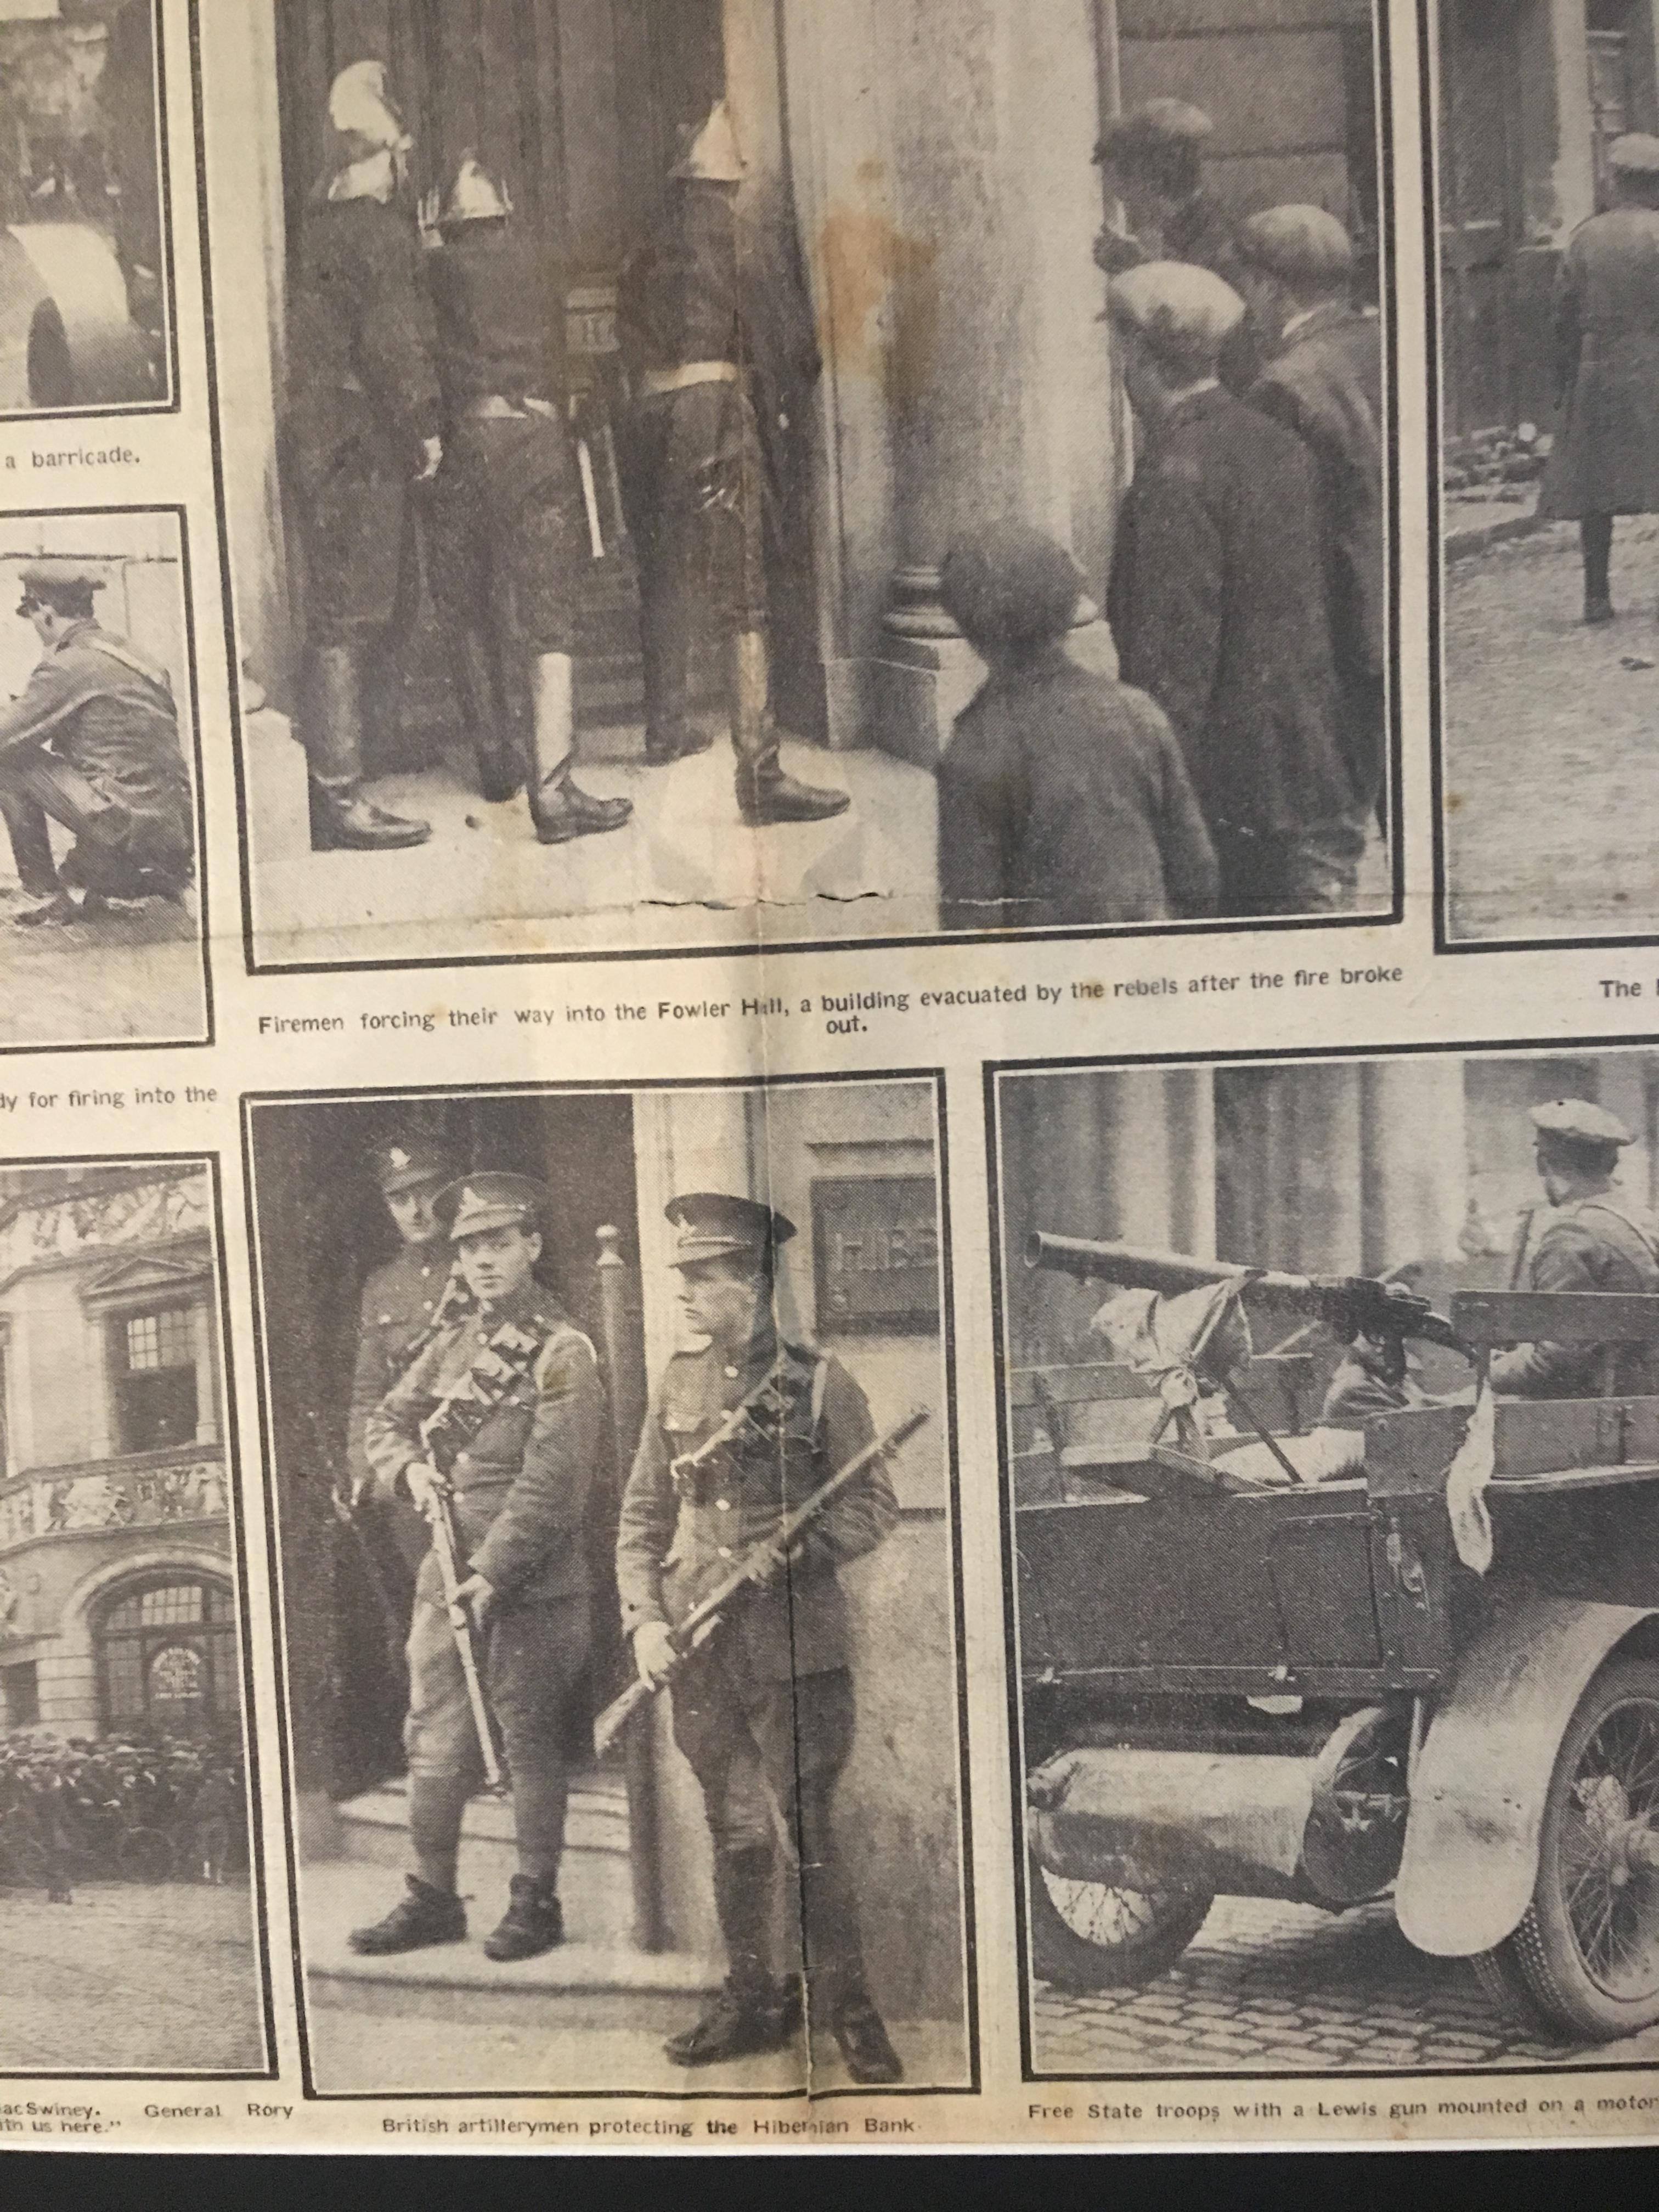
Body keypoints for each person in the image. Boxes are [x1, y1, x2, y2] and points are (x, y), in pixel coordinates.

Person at [616, 1193, 902, 2083]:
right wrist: (642, 1623)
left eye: (703, 1276)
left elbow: (871, 1505)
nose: (686, 1292)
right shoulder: (674, 1380)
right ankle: (748, 2001)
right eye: (685, 1276)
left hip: (794, 1650)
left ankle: (849, 2007)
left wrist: (794, 1556)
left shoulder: (820, 1382)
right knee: (732, 1829)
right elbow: (638, 1516)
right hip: (700, 1648)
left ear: (751, 1282)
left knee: (805, 1828)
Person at [353, 1174, 605, 1963]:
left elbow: (555, 1485)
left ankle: (537, 1900)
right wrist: (409, 1476)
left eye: (498, 1243)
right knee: (433, 1738)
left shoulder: (563, 1351)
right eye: (470, 1247)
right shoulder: (454, 1341)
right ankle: (431, 1897)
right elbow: (387, 1421)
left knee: (527, 1740)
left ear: (531, 1246)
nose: (483, 1261)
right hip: (445, 1567)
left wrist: (492, 1573)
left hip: (531, 1579)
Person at [616, 102, 849, 824]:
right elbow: (790, 348)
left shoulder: (646, 243)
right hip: (715, 415)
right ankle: (762, 770)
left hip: (650, 419)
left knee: (663, 568)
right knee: (743, 592)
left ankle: (664, 727)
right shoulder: (741, 236)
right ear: (731, 177)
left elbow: (624, 344)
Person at [1104, 261, 1357, 918]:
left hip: (1226, 787)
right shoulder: (1277, 442)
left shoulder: (1171, 475)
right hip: (1300, 763)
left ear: (1135, 352)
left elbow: (1173, 658)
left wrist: (1160, 799)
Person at [425, 156, 632, 845]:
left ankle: (495, 764)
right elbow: (578, 358)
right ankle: (553, 790)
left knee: (468, 606)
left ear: (450, 226)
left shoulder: (433, 271)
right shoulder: (540, 261)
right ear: (505, 216)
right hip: (537, 440)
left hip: (465, 443)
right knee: (549, 615)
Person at [285, 61, 436, 852]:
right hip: (358, 439)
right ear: (386, 157)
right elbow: (394, 343)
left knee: (378, 600)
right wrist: (427, 427)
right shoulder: (378, 232)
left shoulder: (322, 226)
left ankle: (365, 751)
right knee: (350, 612)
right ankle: (340, 793)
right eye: (400, 153)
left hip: (330, 436)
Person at [934, 521, 1217, 930]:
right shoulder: (1137, 711)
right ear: (1068, 610)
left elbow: (971, 923)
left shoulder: (975, 748)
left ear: (970, 631)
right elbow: (1198, 873)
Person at [1235, 206, 1386, 822]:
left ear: (1270, 287)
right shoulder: (1383, 343)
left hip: (1339, 619)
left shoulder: (1283, 385)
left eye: (1249, 286)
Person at [0, 560, 193, 928]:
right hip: (173, 824)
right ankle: (118, 872)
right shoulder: (130, 653)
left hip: (123, 823)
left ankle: (43, 894)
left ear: (45, 610)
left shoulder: (68, 664)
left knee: (9, 761)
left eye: (31, 612)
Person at [1539, 133, 1659, 624]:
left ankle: (1596, 595)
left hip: (1597, 370)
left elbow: (1562, 314)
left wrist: (1564, 375)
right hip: (1652, 364)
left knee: (1595, 489)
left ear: (1615, 181)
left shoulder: (1586, 237)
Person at [347, 1138, 464, 1576]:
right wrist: (364, 1468)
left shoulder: (482, 1266)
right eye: (400, 1199)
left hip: (476, 1459)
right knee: (426, 1600)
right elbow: (368, 1390)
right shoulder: (382, 1286)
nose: (415, 1211)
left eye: (426, 1194)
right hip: (410, 1465)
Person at [1490, 1100, 1659, 1400]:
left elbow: (1554, 1364)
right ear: (1612, 1163)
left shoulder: (1571, 1234)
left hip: (1600, 1417)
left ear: (1542, 1163)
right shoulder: (1647, 1221)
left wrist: (1492, 1371)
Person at [1092, 99, 1257, 391]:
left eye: (1128, 199)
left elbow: (1227, 354)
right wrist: (1139, 265)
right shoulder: (1193, 230)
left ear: (1153, 181)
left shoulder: (1221, 246)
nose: (1129, 211)